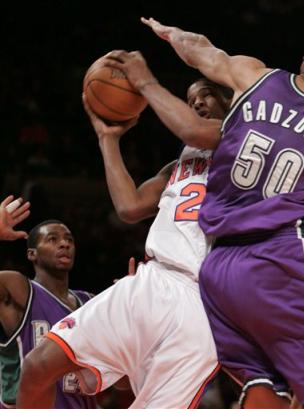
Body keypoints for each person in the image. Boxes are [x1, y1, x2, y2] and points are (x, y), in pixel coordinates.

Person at [140, 18, 304, 409]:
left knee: (260, 384)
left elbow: (200, 48)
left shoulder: (254, 75)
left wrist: (170, 33)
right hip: (280, 256)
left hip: (219, 266)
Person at [16, 73, 232, 408]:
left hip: (202, 303)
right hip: (152, 280)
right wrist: (107, 139)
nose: (197, 104)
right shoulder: (179, 164)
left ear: (231, 101)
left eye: (206, 95)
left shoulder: (249, 150)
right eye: (190, 101)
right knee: (36, 366)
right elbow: (129, 208)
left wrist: (146, 81)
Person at [0, 217, 96, 409]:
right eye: (52, 239)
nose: (64, 244)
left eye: (69, 240)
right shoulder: (17, 288)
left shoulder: (90, 303)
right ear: (32, 254)